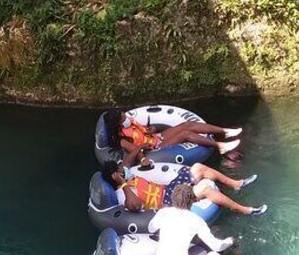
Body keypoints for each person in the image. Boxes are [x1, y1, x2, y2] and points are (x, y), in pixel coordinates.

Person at [101, 147, 267, 216]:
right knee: (204, 189)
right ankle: (245, 210)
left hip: (169, 189)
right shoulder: (122, 194)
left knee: (198, 167)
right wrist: (122, 183)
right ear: (116, 177)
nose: (125, 168)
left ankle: (236, 184)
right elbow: (135, 206)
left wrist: (141, 154)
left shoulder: (127, 174)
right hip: (169, 202)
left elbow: (128, 160)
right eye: (121, 171)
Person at [104, 109, 242, 155]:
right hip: (154, 148)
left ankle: (225, 132)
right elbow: (137, 152)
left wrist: (152, 129)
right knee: (185, 134)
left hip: (155, 137)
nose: (126, 117)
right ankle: (220, 146)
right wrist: (143, 147)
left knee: (187, 124)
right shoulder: (122, 138)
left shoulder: (130, 121)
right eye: (123, 118)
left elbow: (142, 131)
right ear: (117, 123)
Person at [149, 184, 235, 255]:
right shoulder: (197, 220)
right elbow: (216, 246)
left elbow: (151, 229)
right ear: (193, 201)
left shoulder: (163, 212)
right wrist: (230, 241)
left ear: (173, 198)